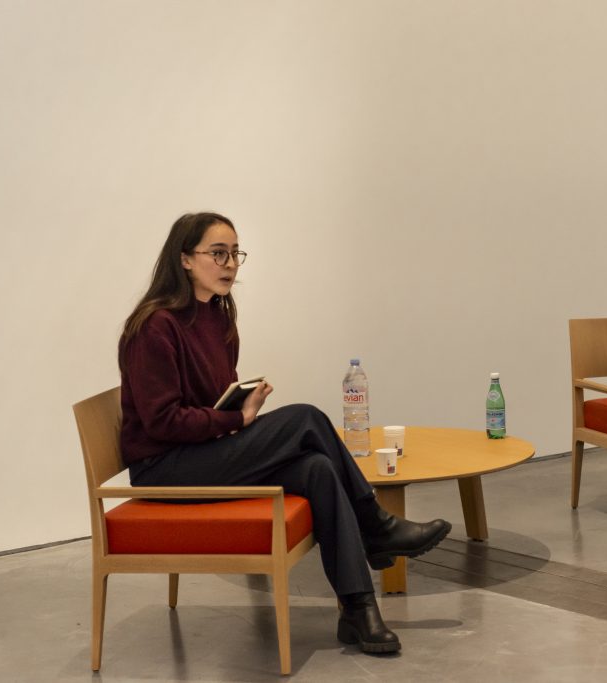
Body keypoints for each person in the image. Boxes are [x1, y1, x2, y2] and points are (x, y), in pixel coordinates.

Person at [118, 212, 451, 653]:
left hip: (203, 452)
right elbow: (163, 422)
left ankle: (359, 610)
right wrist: (239, 420)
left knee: (317, 468)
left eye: (235, 253)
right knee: (306, 418)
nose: (230, 264)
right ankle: (377, 525)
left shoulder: (217, 318)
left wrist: (237, 404)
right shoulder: (154, 327)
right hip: (164, 469)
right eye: (217, 253)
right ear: (184, 259)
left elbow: (205, 401)